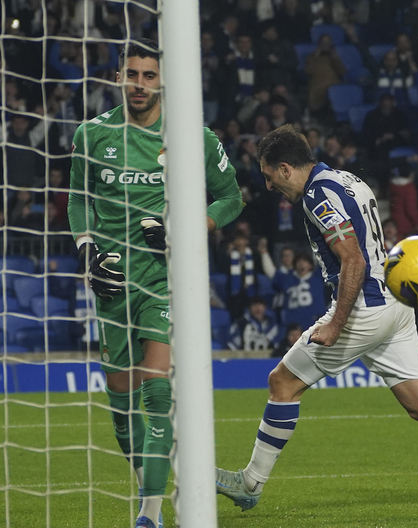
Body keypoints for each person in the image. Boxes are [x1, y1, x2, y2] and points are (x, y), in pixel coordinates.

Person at [215, 124, 418, 514]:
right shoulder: (346, 178)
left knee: (282, 382)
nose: (269, 187)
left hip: (362, 309)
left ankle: (251, 483)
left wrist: (336, 323)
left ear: (286, 168)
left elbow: (352, 257)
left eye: (269, 177)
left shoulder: (317, 195)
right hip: (395, 302)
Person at [67, 40, 244, 528]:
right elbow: (77, 200)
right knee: (122, 409)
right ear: (117, 77)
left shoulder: (192, 136)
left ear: (163, 80)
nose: (139, 84)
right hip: (111, 282)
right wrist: (86, 251)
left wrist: (188, 229)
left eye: (148, 76)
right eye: (132, 75)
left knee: (158, 392)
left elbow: (231, 198)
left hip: (166, 279)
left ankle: (149, 514)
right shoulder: (91, 135)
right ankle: (165, 477)